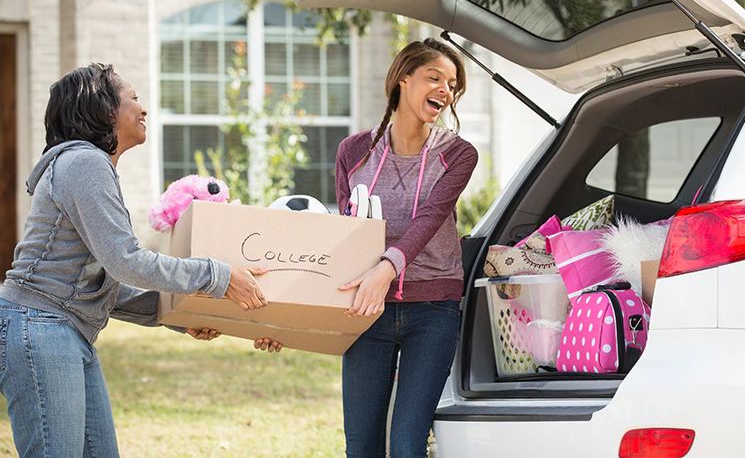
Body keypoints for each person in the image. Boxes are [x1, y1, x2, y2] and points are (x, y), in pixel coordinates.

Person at [0, 63, 279, 457]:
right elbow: (127, 262)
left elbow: (103, 285)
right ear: (105, 110)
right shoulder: (84, 164)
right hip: (40, 328)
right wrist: (217, 275)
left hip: (62, 329)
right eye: (134, 98)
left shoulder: (91, 167)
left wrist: (182, 317)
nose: (143, 109)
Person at [335, 39, 478, 458]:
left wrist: (386, 268)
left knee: (406, 447)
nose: (445, 90)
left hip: (433, 309)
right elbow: (347, 232)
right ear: (403, 80)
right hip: (367, 310)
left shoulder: (457, 154)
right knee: (361, 448)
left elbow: (430, 218)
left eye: (452, 84)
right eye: (434, 78)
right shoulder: (354, 152)